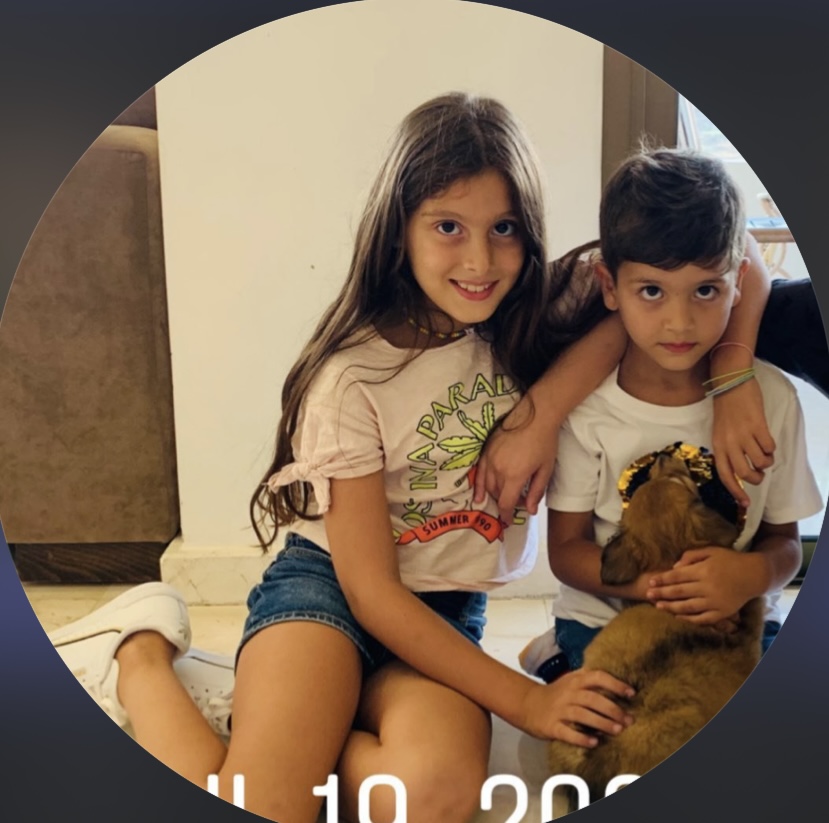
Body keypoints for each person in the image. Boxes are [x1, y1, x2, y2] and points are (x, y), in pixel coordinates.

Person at [47, 96, 773, 823]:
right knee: (262, 805)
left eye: (503, 228)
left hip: (445, 610)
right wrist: (527, 701)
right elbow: (372, 594)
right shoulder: (351, 379)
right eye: (448, 227)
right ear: (399, 228)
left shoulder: (537, 312)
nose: (479, 260)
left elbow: (732, 256)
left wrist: (713, 378)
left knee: (434, 797)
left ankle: (290, 727)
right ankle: (139, 649)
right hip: (331, 593)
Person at [516, 147, 824, 683]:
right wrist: (656, 589)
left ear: (738, 282)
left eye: (706, 291)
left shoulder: (771, 399)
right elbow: (566, 552)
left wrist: (749, 575)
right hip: (606, 622)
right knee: (628, 721)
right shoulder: (588, 409)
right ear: (609, 286)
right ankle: (556, 654)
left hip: (738, 622)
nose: (679, 322)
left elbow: (785, 544)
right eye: (652, 292)